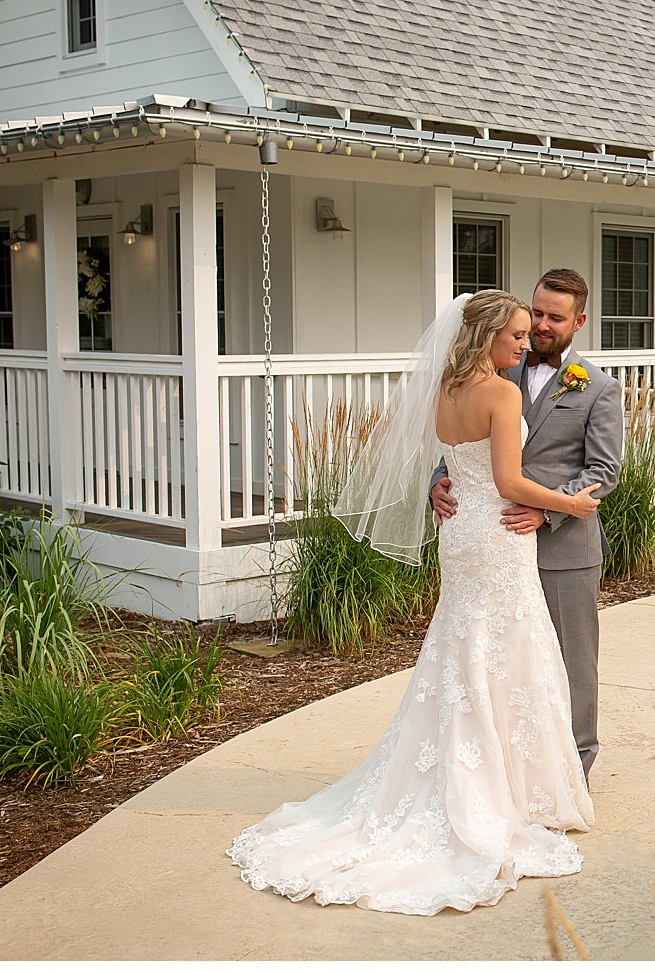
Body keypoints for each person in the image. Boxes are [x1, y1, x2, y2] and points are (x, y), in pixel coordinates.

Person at [228, 290, 602, 916]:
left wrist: (452, 489)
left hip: (461, 535)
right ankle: (501, 793)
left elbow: (457, 465)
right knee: (506, 647)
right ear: (485, 337)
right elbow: (509, 483)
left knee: (466, 648)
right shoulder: (503, 393)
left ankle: (481, 778)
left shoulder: (446, 392)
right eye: (512, 333)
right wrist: (572, 504)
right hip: (501, 533)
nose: (522, 341)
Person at [430, 268, 622, 778]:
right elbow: (462, 445)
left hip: (564, 546)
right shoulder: (498, 367)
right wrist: (439, 482)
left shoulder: (599, 388)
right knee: (505, 661)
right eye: (535, 313)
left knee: (570, 661)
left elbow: (602, 472)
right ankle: (509, 771)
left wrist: (549, 509)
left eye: (554, 318)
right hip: (495, 544)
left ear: (579, 321)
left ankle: (575, 768)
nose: (539, 326)